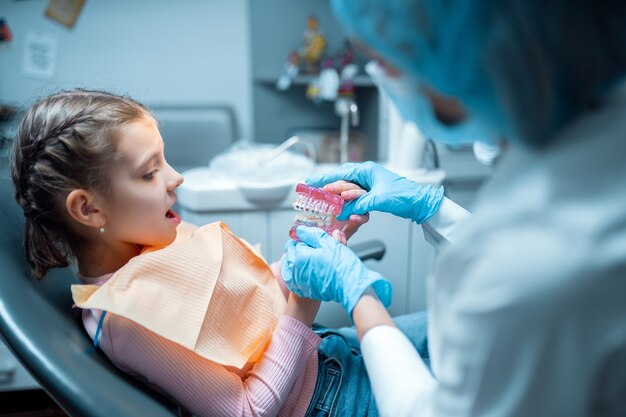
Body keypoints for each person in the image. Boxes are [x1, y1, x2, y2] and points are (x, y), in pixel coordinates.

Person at [281, 1, 626, 416]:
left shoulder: (541, 266)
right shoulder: (593, 135)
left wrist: (358, 296)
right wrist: (431, 206)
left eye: (387, 62)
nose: (382, 75)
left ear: (467, 59)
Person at [10, 88, 416, 417]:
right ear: (89, 208)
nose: (176, 178)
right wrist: (304, 305)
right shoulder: (125, 319)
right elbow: (247, 410)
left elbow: (248, 301)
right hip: (325, 401)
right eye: (150, 172)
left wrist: (316, 242)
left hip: (328, 353)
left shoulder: (152, 245)